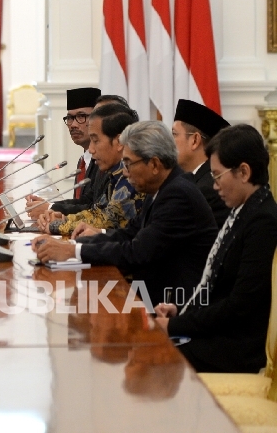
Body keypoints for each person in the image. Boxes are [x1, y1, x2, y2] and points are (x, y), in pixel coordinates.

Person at [32, 121, 217, 306]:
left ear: (154, 164)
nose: (126, 174)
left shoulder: (178, 195)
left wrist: (72, 251)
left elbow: (137, 252)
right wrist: (72, 244)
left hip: (175, 305)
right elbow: (129, 233)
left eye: (128, 164)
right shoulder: (163, 188)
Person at [154, 125, 277, 373]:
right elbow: (218, 286)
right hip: (220, 334)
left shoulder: (263, 221)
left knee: (152, 357)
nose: (215, 185)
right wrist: (181, 310)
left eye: (218, 176)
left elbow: (239, 305)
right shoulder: (244, 212)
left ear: (243, 172)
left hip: (237, 348)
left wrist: (176, 326)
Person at [37, 103, 144, 236]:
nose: (91, 149)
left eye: (95, 141)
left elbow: (108, 220)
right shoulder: (116, 174)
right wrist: (64, 218)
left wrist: (57, 225)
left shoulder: (133, 176)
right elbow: (97, 211)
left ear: (119, 141)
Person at [26, 87, 100, 218]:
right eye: (70, 118)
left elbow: (93, 207)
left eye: (81, 116)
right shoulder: (83, 160)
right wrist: (50, 205)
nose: (73, 125)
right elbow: (83, 202)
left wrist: (50, 207)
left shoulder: (103, 162)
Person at [172, 99, 231, 228]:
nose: (170, 142)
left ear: (195, 140)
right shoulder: (191, 180)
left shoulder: (208, 189)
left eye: (174, 134)